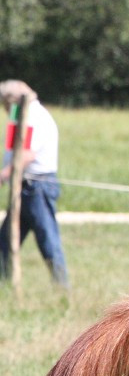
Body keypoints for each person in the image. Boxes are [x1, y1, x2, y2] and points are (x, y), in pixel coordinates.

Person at [1, 80, 68, 288]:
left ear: (12, 101)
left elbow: (27, 154)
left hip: (38, 187)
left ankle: (62, 287)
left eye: (4, 104)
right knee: (5, 240)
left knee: (48, 239)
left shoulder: (33, 116)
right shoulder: (21, 114)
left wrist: (3, 174)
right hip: (24, 186)